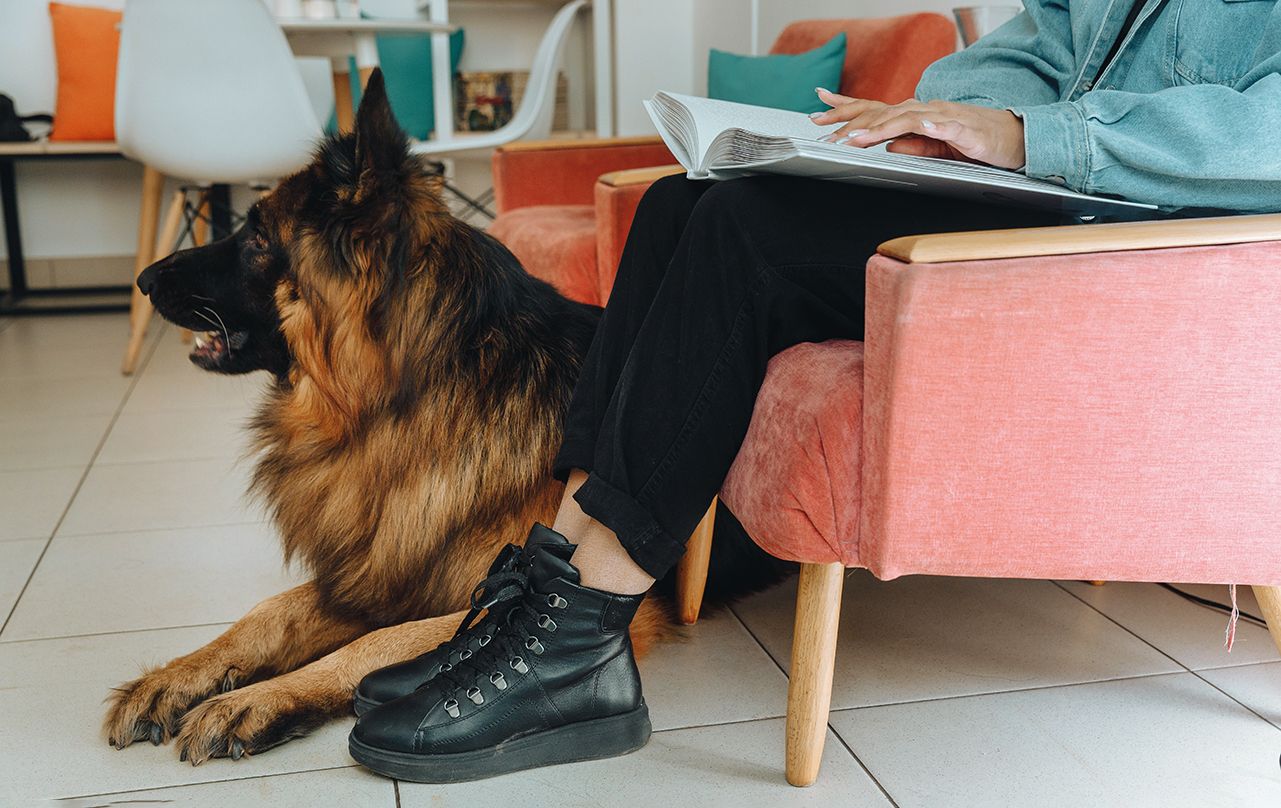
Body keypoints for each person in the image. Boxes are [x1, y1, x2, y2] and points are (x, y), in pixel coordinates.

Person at [347, 0, 1281, 782]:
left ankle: (577, 646)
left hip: (1153, 260)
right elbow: (1039, 46)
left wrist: (1042, 134)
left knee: (745, 235)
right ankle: (551, 584)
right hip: (1055, 200)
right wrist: (933, 112)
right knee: (682, 201)